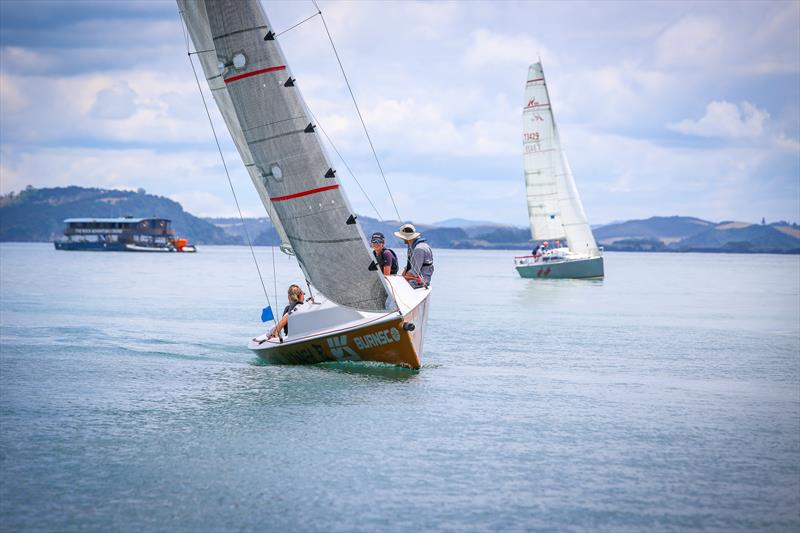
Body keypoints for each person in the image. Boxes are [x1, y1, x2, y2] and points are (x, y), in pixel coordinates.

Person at [394, 223, 434, 288]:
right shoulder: (412, 247)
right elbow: (409, 266)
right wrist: (400, 278)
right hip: (414, 280)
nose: (401, 239)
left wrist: (399, 281)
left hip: (419, 283)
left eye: (402, 237)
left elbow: (413, 274)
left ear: (406, 237)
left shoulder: (419, 249)